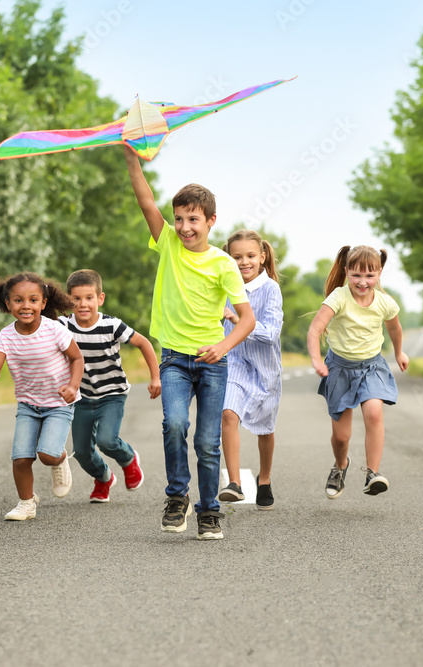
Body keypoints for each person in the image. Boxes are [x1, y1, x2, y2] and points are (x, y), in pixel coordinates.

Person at [124, 145, 256, 540]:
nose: (184, 227)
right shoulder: (167, 244)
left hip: (212, 361)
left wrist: (224, 346)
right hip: (174, 359)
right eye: (179, 218)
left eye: (193, 219)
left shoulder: (223, 264)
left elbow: (246, 319)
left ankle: (209, 510)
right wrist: (132, 159)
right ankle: (177, 497)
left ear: (211, 220)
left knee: (206, 441)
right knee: (175, 424)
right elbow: (145, 200)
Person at [306, 246, 409, 499]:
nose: (363, 282)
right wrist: (317, 360)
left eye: (369, 276)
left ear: (379, 273)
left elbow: (394, 329)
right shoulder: (338, 298)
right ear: (346, 272)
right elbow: (314, 330)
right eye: (356, 276)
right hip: (339, 369)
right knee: (341, 437)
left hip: (371, 368)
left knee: (374, 413)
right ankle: (340, 466)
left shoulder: (385, 302)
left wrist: (399, 353)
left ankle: (373, 473)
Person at [0, 272, 84, 521]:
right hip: (28, 405)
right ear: (8, 304)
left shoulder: (54, 329)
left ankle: (59, 459)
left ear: (43, 303)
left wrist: (72, 386)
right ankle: (26, 504)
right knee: (21, 457)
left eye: (33, 300)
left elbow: (77, 358)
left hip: (59, 404)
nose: (26, 306)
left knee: (47, 455)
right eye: (18, 300)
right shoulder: (6, 335)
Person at [61, 269, 161, 503]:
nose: (83, 304)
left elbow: (144, 343)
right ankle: (104, 477)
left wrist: (155, 377)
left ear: (100, 298)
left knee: (107, 440)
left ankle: (128, 458)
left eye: (89, 298)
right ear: (68, 300)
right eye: (76, 299)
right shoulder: (63, 325)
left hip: (112, 394)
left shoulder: (112, 325)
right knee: (82, 452)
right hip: (82, 396)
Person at [217, 230, 283, 510]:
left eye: (250, 256)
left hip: (265, 368)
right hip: (233, 363)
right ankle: (235, 483)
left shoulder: (270, 289)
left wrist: (240, 319)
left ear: (262, 257)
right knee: (228, 415)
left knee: (265, 429)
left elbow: (270, 333)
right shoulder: (224, 287)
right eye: (237, 257)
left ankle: (264, 479)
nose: (244, 262)